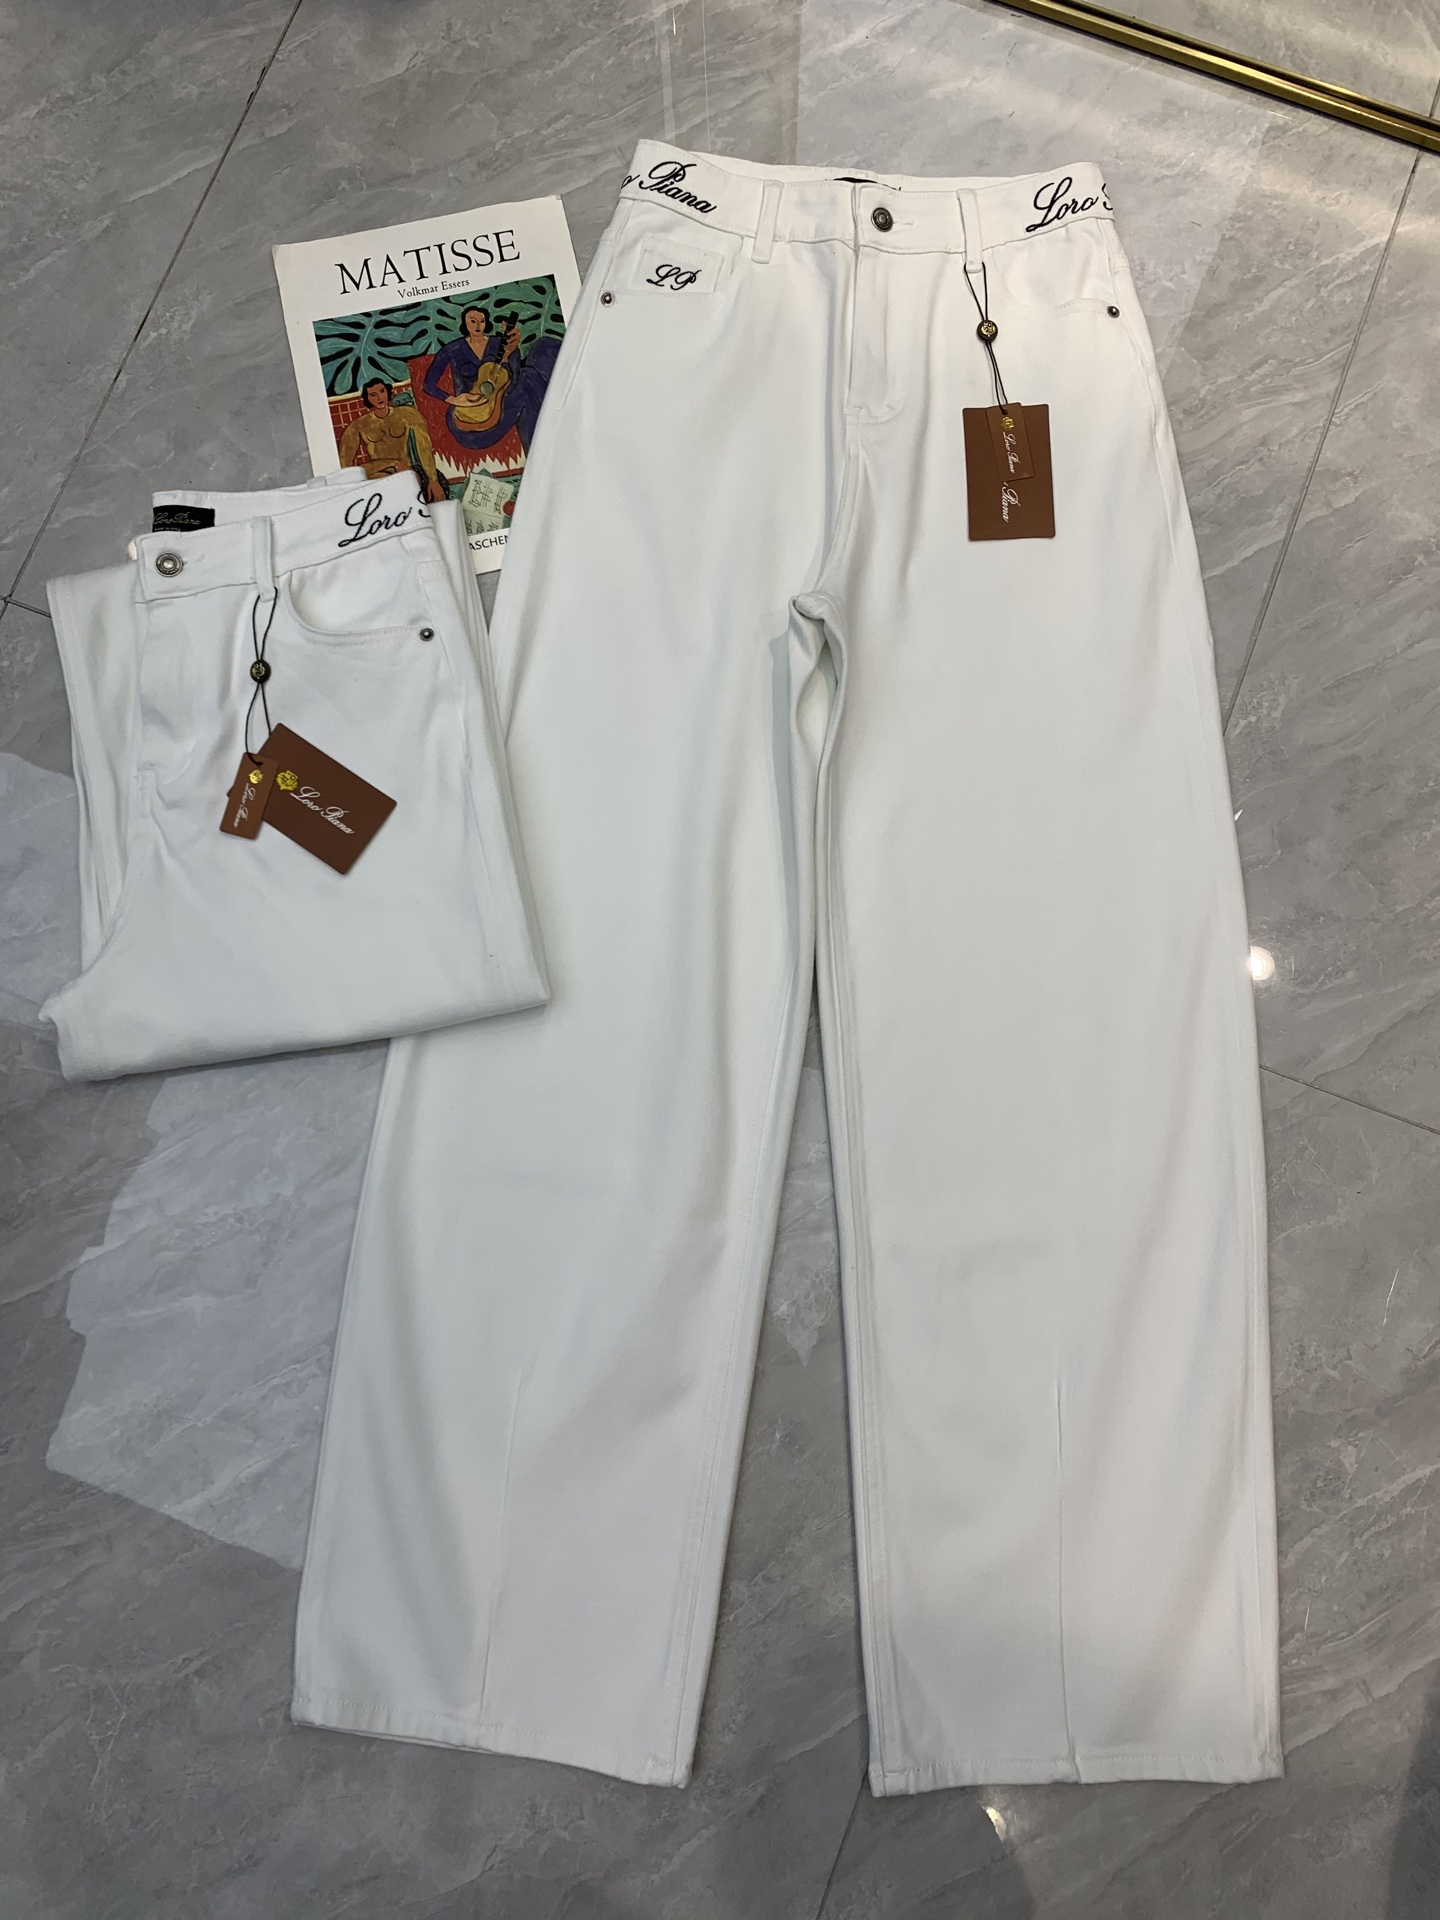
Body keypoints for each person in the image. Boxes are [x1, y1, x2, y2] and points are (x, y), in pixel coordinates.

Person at [424, 305, 560, 456]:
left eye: (481, 321)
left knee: (544, 347)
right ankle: (547, 446)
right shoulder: (453, 349)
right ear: (465, 323)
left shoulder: (498, 343)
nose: (478, 325)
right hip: (469, 420)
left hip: (502, 404)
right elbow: (428, 385)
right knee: (528, 377)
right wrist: (454, 399)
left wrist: (510, 353)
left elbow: (513, 379)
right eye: (473, 321)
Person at [337, 378, 448, 503]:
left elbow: (424, 448)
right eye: (373, 395)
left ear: (387, 391)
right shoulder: (359, 425)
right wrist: (393, 463)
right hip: (381, 473)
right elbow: (346, 466)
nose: (379, 397)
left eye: (382, 391)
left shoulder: (407, 414)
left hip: (410, 470)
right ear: (367, 398)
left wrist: (433, 479)